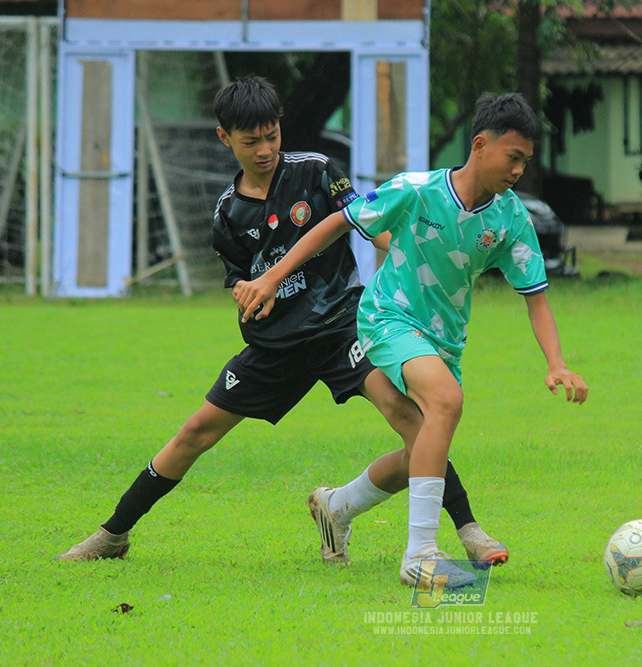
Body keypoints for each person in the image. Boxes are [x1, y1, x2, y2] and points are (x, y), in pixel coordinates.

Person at [54, 75, 507, 568]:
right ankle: (112, 535)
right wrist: (250, 296)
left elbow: (368, 224)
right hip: (277, 345)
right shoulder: (228, 212)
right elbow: (240, 282)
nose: (266, 149)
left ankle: (468, 530)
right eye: (251, 141)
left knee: (409, 417)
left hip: (342, 324)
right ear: (225, 138)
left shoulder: (316, 171)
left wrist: (411, 253)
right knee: (195, 433)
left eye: (272, 136)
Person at [231, 92, 589, 589]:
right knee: (445, 401)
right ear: (480, 145)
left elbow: (537, 297)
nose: (518, 170)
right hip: (387, 318)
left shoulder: (511, 219)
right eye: (513, 157)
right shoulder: (416, 190)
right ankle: (420, 556)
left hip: (445, 342)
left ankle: (337, 506)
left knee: (422, 447)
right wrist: (272, 277)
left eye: (526, 161)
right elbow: (338, 221)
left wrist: (556, 362)